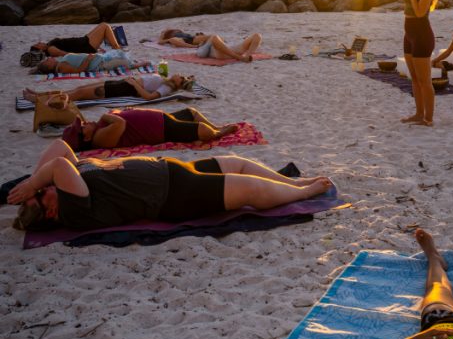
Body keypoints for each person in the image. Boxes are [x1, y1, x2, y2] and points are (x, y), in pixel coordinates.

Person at [9, 141, 333, 232]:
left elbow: (59, 149)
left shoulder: (65, 184)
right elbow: (60, 165)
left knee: (237, 161)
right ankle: (304, 193)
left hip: (175, 171)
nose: (42, 188)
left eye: (38, 189)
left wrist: (31, 184)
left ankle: (293, 183)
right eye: (41, 195)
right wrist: (34, 182)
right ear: (51, 212)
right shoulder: (74, 209)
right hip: (174, 195)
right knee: (248, 190)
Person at [61, 107, 239, 150]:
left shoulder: (98, 130)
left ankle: (215, 126)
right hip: (159, 130)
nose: (84, 123)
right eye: (82, 127)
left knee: (191, 112)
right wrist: (103, 116)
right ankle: (216, 132)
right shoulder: (100, 138)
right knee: (204, 131)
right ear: (85, 138)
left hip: (160, 120)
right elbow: (120, 123)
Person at [402, 0, 439, 127]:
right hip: (409, 34)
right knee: (415, 79)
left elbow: (420, 12)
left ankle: (428, 118)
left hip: (422, 34)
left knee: (425, 81)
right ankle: (418, 113)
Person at [23, 72, 194, 106]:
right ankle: (40, 95)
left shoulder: (166, 88)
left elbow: (149, 97)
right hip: (120, 84)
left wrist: (134, 84)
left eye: (182, 77)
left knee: (78, 95)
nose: (179, 74)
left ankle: (39, 101)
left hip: (121, 90)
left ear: (178, 83)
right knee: (80, 88)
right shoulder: (166, 80)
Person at [158, 29, 262, 62]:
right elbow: (167, 40)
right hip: (217, 50)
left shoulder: (186, 36)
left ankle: (247, 55)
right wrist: (193, 47)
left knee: (257, 35)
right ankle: (239, 58)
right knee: (214, 37)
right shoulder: (178, 38)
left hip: (227, 48)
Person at [31, 23, 122, 57]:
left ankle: (116, 47)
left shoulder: (49, 45)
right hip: (85, 46)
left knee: (104, 27)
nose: (39, 42)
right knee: (105, 26)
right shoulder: (50, 49)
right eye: (38, 44)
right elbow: (65, 54)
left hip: (84, 40)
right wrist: (85, 56)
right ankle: (117, 49)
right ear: (40, 50)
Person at [30, 50, 146, 76]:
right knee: (124, 62)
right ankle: (139, 65)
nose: (49, 58)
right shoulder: (61, 67)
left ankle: (133, 62)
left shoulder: (59, 61)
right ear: (49, 66)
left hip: (98, 59)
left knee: (118, 54)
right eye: (47, 60)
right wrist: (88, 60)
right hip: (99, 65)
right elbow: (79, 70)